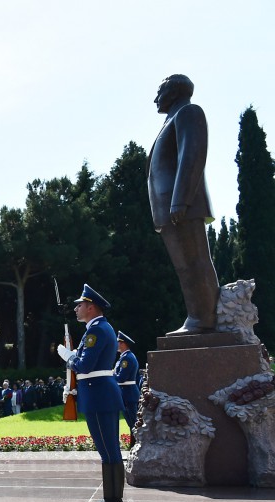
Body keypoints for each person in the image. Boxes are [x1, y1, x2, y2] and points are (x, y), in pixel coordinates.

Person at [148, 74, 220, 336]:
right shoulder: (171, 119)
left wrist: (181, 200)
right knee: (184, 266)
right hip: (168, 208)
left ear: (175, 91)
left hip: (181, 205)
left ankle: (203, 319)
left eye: (160, 91)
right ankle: (196, 316)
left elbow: (192, 154)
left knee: (195, 262)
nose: (155, 98)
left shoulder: (188, 112)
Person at [57, 284, 126, 502]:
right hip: (100, 393)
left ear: (91, 307)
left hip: (98, 394)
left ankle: (113, 501)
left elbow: (85, 365)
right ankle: (113, 499)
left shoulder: (96, 331)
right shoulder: (99, 328)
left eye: (80, 305)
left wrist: (68, 358)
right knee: (109, 449)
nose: (76, 308)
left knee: (107, 450)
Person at [115, 332, 141, 434]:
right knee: (132, 424)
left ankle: (139, 442)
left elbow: (121, 378)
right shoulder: (125, 357)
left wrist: (109, 374)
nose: (116, 344)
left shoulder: (126, 358)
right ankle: (135, 442)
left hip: (128, 394)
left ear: (123, 343)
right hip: (127, 393)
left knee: (134, 424)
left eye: (118, 342)